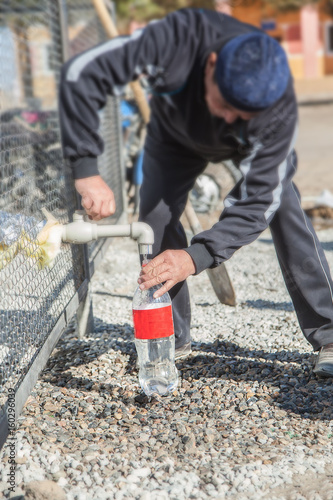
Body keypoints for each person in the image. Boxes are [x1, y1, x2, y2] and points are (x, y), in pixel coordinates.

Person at [59, 8, 333, 377]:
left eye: (243, 112)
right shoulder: (176, 40)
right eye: (226, 104)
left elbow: (258, 199)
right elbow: (82, 73)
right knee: (154, 222)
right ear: (211, 65)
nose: (231, 117)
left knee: (282, 204)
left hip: (246, 146)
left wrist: (197, 255)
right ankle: (170, 336)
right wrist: (86, 169)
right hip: (173, 137)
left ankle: (329, 333)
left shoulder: (275, 101)